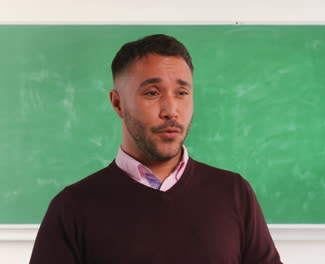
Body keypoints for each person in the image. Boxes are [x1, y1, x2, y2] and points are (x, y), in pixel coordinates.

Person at [30, 34, 282, 264]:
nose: (171, 110)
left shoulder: (234, 193)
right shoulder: (72, 207)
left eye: (182, 92)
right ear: (117, 103)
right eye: (152, 92)